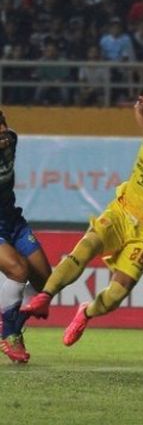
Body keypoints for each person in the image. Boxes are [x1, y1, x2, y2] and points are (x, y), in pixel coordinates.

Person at [21, 94, 143, 347]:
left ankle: (85, 313)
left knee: (116, 295)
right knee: (87, 246)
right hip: (121, 211)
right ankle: (45, 295)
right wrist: (139, 112)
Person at [0, 111, 52, 363]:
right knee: (18, 270)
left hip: (13, 221)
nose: (3, 134)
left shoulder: (11, 141)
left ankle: (11, 320)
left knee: (45, 281)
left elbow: (10, 136)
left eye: (3, 128)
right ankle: (9, 333)